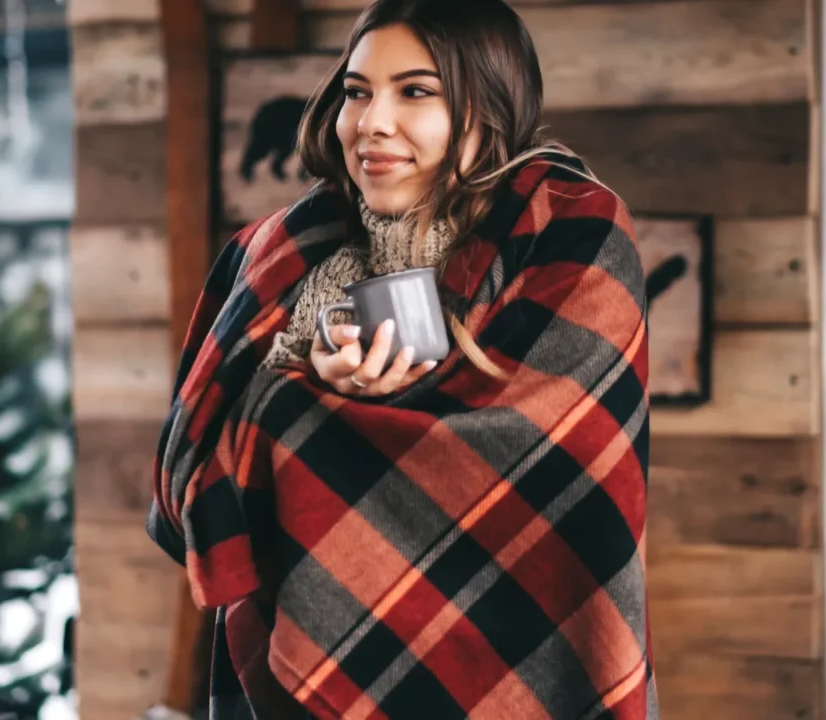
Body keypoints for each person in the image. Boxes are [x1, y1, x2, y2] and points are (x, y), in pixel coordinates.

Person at [147, 0, 655, 717]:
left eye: (416, 91)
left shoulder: (573, 230)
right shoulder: (271, 259)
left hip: (524, 667)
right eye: (357, 92)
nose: (370, 122)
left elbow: (534, 473)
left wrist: (294, 409)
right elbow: (188, 502)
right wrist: (311, 378)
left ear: (487, 105)